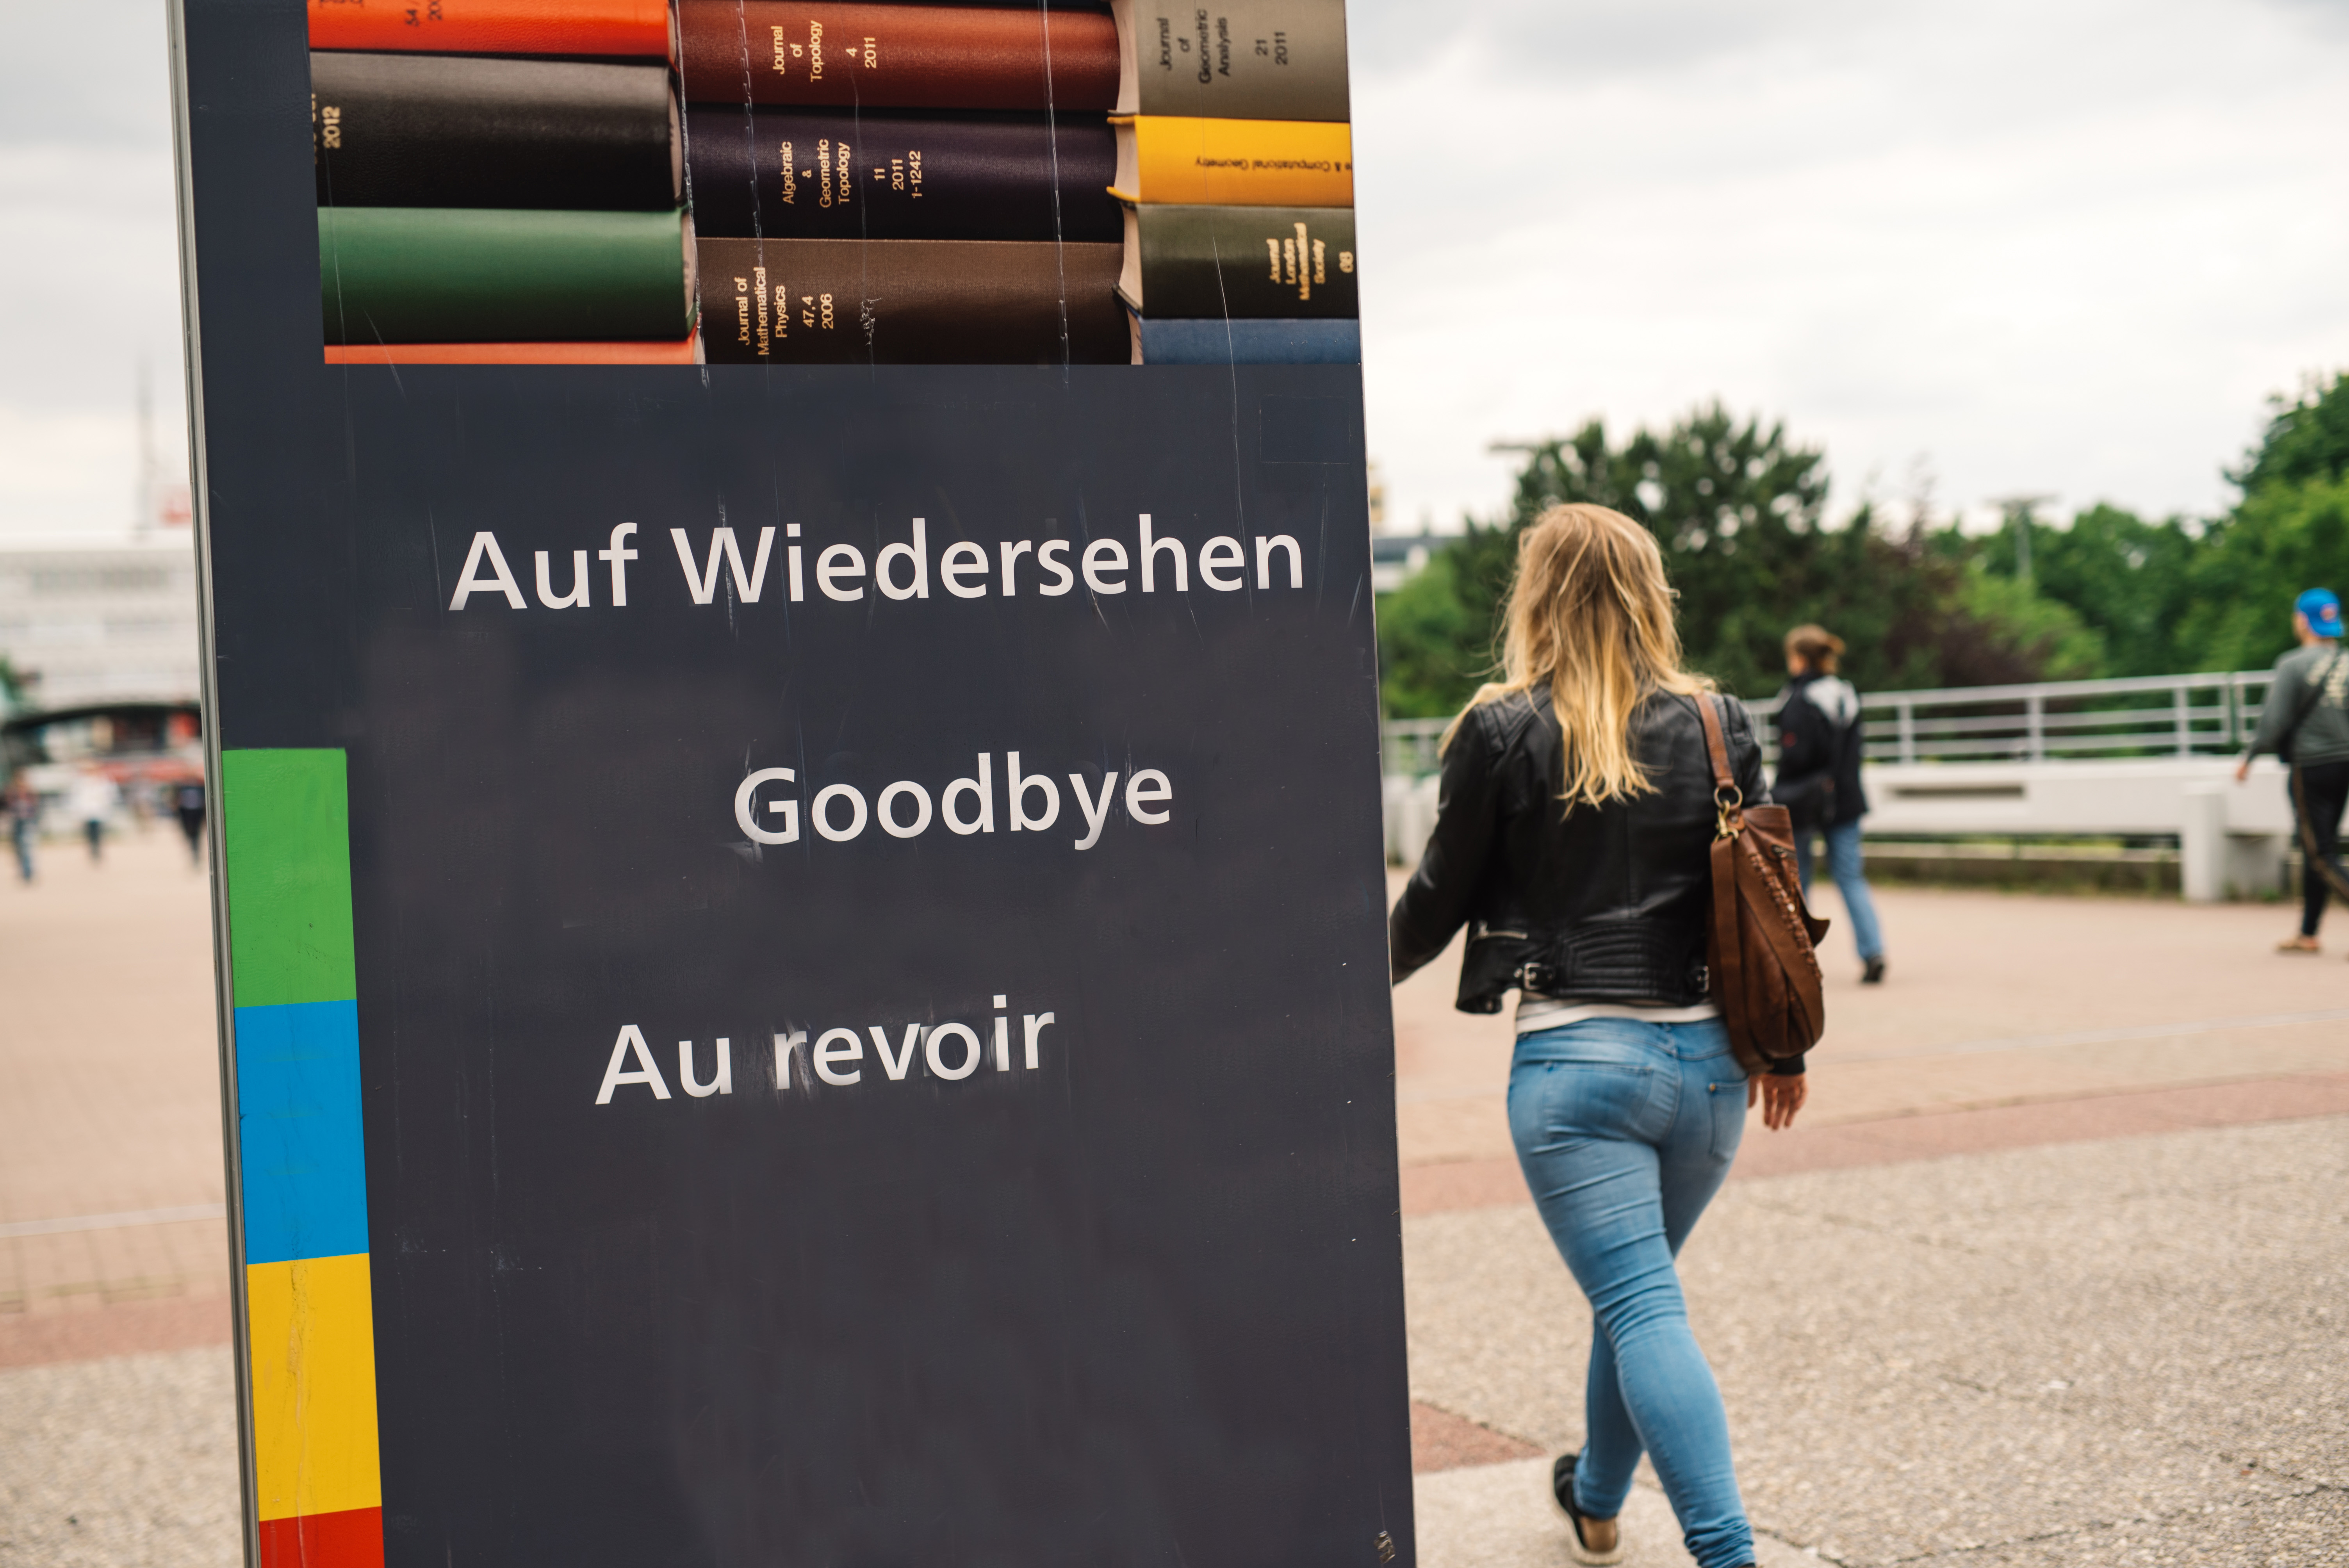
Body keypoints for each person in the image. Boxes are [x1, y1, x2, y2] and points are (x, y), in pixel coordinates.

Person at [1390, 503, 1804, 1568]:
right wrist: (1785, 1049)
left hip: (1576, 1064)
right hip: (1710, 1065)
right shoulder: (1719, 720)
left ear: (1536, 592)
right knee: (1634, 1293)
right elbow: (1769, 892)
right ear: (1651, 589)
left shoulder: (1500, 728)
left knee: (1637, 1300)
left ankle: (1727, 1553)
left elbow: (1434, 902)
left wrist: (1325, 997)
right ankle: (1596, 1498)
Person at [1771, 625, 1887, 984]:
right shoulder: (1846, 694)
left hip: (1804, 802)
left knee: (1799, 880)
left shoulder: (1797, 699)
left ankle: (1799, 958)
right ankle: (1873, 951)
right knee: (1851, 878)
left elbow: (1796, 754)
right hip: (1847, 799)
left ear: (1799, 658)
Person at [2235, 588, 2349, 953]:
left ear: (2302, 621)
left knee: (2319, 853)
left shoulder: (2293, 664)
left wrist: (2250, 757)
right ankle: (2308, 933)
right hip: (2345, 764)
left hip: (2312, 767)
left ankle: (2308, 932)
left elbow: (2274, 722)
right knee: (2319, 847)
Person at [66, 770, 119, 864]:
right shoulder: (80, 782)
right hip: (87, 812)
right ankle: (93, 850)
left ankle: (97, 851)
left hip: (99, 812)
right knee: (89, 834)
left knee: (98, 833)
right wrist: (76, 813)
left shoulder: (103, 781)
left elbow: (109, 796)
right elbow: (76, 799)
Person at [6, 776, 35, 884]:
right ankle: (23, 870)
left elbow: (35, 809)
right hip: (17, 823)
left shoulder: (30, 794)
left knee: (27, 847)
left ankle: (28, 872)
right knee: (19, 848)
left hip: (28, 822)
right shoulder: (12, 794)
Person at [173, 779, 207, 866]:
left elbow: (205, 801)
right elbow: (176, 801)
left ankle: (195, 852)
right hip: (186, 814)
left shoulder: (201, 787)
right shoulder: (182, 787)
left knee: (196, 835)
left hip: (197, 814)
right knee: (188, 834)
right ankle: (193, 850)